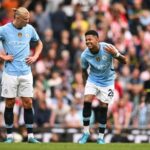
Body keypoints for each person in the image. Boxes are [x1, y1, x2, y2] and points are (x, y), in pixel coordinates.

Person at [0, 7, 43, 143]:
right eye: (26, 19)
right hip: (10, 73)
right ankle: (9, 136)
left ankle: (30, 136)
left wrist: (35, 56)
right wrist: (2, 56)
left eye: (28, 18)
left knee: (28, 102)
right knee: (10, 103)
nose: (28, 21)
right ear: (17, 18)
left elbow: (39, 43)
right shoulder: (4, 29)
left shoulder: (30, 29)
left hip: (26, 72)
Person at [78, 30, 127, 144]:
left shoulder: (108, 48)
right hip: (93, 80)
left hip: (107, 82)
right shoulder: (84, 55)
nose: (88, 41)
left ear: (97, 39)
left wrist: (116, 54)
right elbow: (84, 71)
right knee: (87, 101)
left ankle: (100, 137)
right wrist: (85, 83)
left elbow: (125, 61)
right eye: (86, 40)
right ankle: (86, 133)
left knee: (103, 108)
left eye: (90, 39)